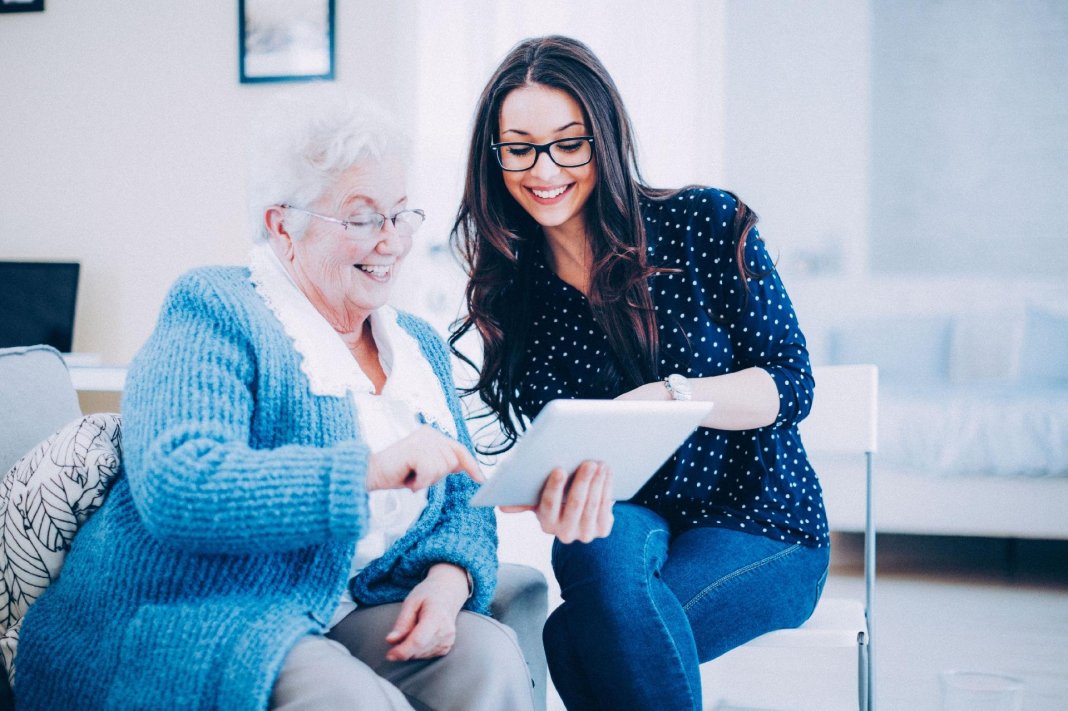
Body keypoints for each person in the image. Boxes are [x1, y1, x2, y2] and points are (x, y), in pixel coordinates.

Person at [16, 88, 535, 711]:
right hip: (197, 613)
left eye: (400, 214)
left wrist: (449, 583)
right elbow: (178, 483)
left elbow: (464, 498)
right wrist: (367, 473)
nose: (391, 241)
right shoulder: (216, 309)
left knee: (485, 656)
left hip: (339, 610)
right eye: (363, 218)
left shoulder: (415, 343)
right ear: (282, 223)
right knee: (346, 697)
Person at [450, 36, 831, 710]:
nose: (545, 168)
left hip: (763, 521)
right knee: (594, 556)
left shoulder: (703, 222)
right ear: (495, 154)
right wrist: (542, 482)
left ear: (606, 136)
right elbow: (569, 452)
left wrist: (669, 398)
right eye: (521, 146)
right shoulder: (517, 295)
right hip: (629, 516)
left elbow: (790, 384)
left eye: (570, 142)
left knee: (576, 637)